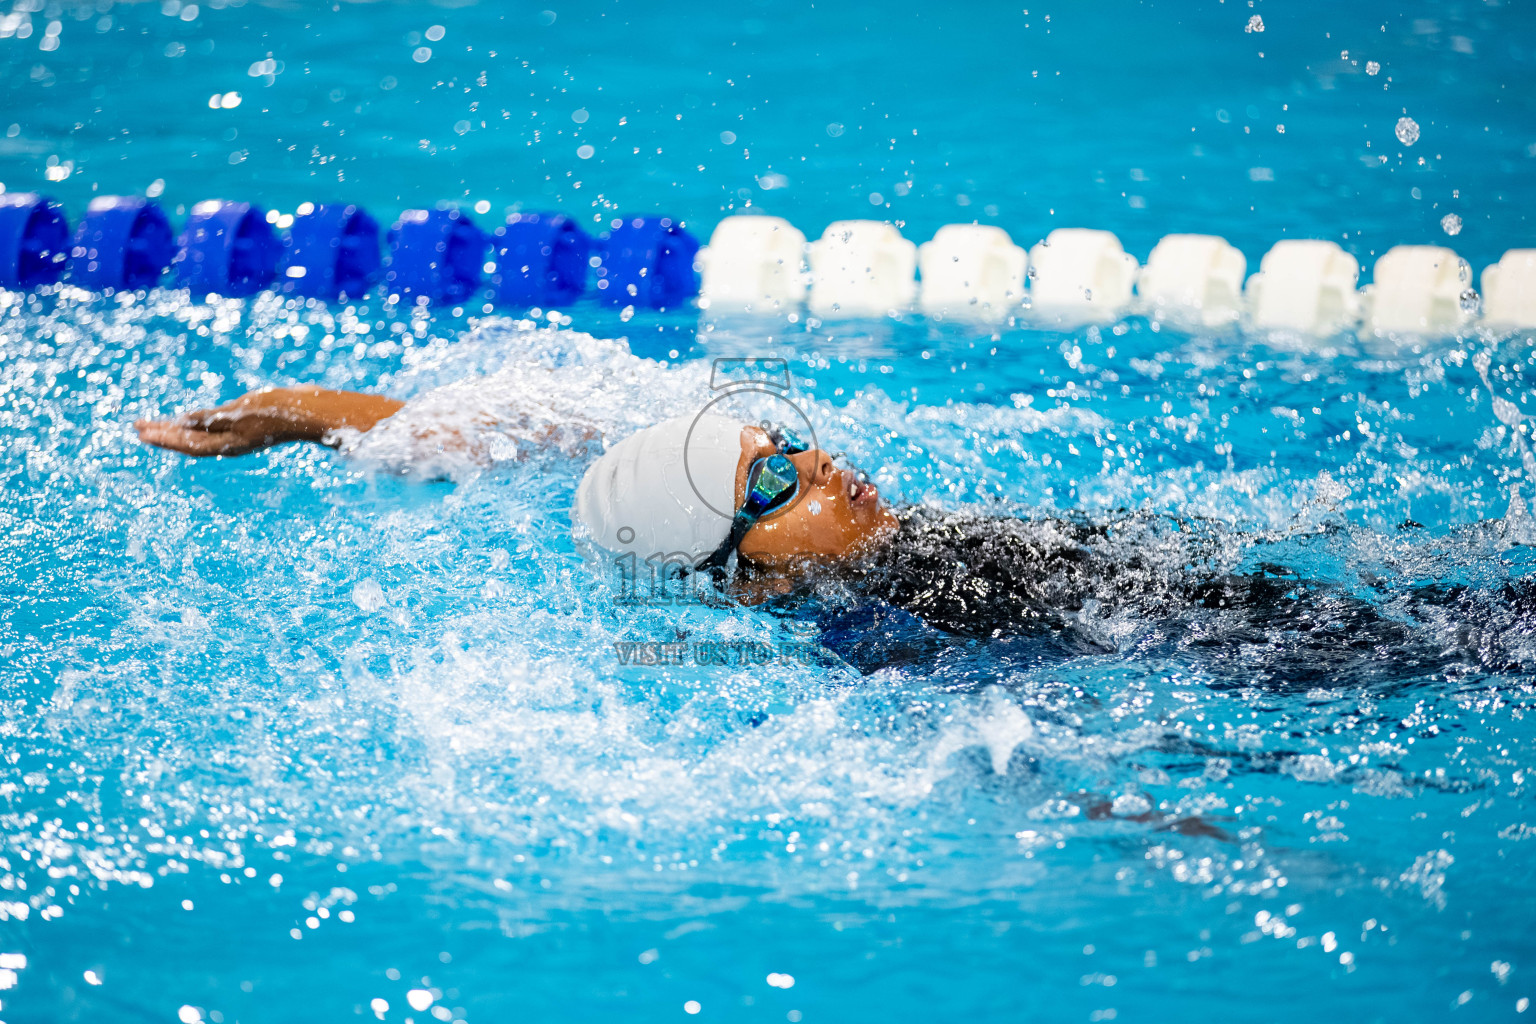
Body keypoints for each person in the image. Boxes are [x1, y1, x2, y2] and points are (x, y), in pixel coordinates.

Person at [136, 382, 1535, 686]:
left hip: (1214, 572)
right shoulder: (879, 633)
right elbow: (1007, 752)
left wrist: (315, 418)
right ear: (746, 582)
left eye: (790, 447)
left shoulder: (825, 544)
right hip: (1250, 653)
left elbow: (550, 430)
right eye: (771, 488)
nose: (823, 470)